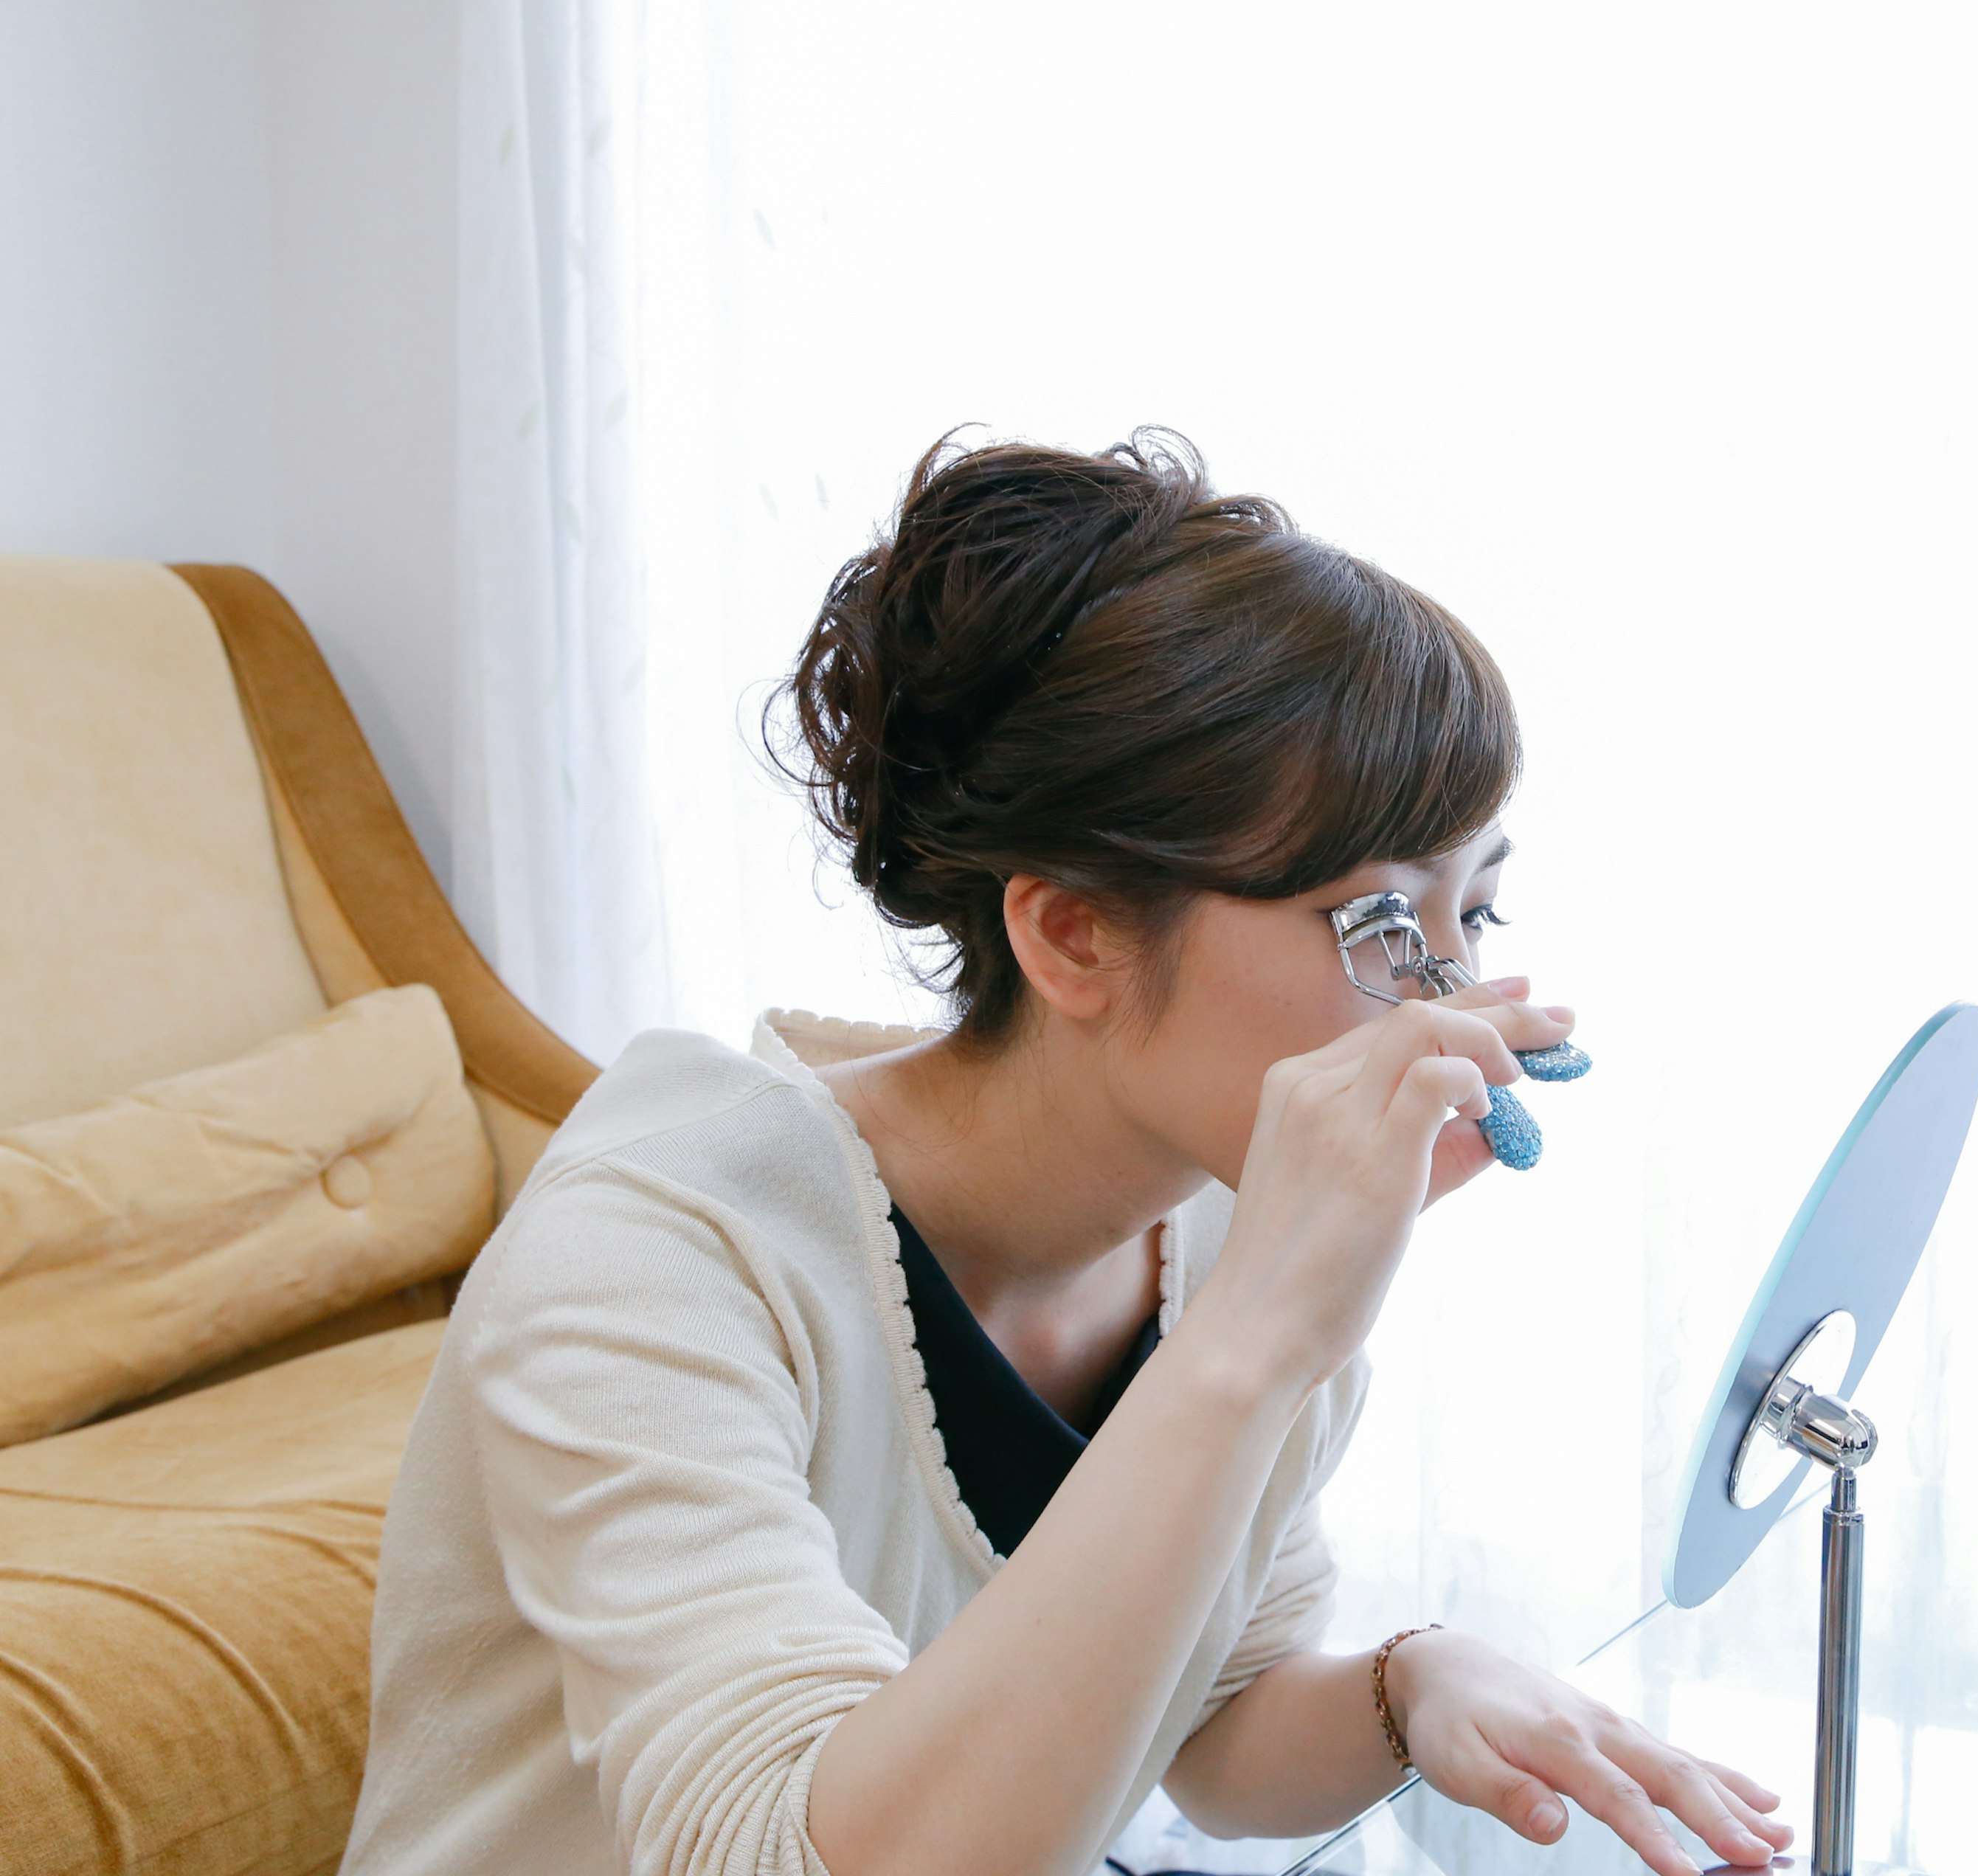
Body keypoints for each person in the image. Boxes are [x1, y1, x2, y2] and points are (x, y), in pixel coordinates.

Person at [343, 432, 1792, 1876]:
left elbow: (1209, 1724)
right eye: (1382, 926)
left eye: (1475, 912)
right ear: (1075, 932)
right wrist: (1253, 1344)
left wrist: (1412, 1687)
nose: (1462, 1001)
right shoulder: (660, 1250)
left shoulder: (1232, 1225)